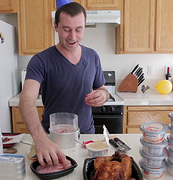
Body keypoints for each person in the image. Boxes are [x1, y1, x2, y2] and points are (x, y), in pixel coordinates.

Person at [19, 2, 109, 168]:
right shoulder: (41, 61)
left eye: (79, 29)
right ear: (56, 26)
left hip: (86, 139)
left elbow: (102, 88)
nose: (73, 36)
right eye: (66, 29)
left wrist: (103, 95)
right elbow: (26, 100)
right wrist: (41, 140)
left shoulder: (93, 57)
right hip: (51, 140)